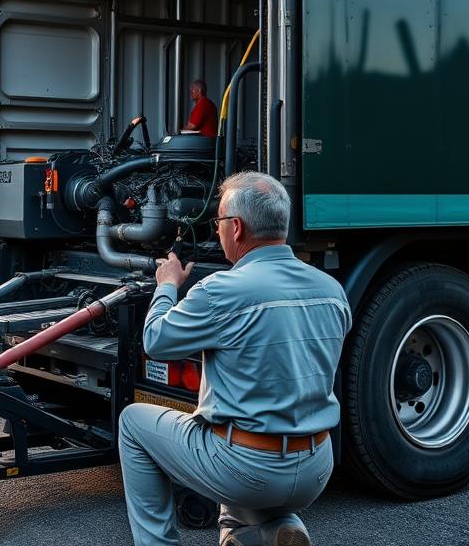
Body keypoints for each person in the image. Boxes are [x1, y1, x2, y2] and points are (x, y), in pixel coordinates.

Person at [119, 172, 351, 546]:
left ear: (237, 228)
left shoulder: (220, 291)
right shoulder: (331, 290)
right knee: (234, 451)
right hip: (316, 467)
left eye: (219, 223)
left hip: (247, 467)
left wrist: (166, 284)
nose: (218, 231)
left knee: (133, 423)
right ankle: (274, 530)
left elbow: (156, 340)